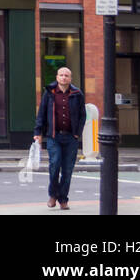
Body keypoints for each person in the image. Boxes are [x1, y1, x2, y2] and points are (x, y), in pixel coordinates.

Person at [33, 66, 85, 210]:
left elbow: (82, 115)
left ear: (70, 78)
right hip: (53, 137)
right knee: (55, 165)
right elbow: (42, 113)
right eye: (61, 75)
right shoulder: (49, 93)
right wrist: (38, 132)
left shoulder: (77, 94)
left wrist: (77, 133)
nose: (63, 77)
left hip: (71, 138)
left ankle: (63, 199)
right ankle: (53, 195)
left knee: (67, 170)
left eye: (66, 75)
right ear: (57, 77)